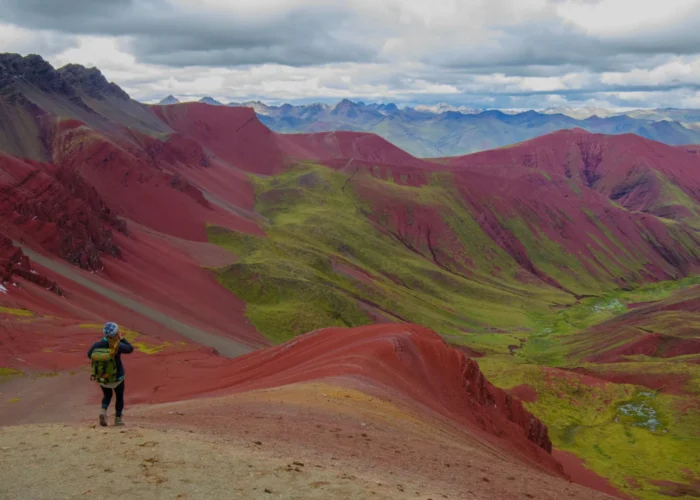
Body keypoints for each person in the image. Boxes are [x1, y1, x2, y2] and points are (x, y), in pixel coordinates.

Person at [87, 322, 134, 427]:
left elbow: (89, 355)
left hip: (103, 378)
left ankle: (103, 412)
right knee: (119, 396)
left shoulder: (97, 345)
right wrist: (121, 339)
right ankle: (118, 419)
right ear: (116, 333)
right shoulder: (118, 345)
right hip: (118, 378)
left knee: (107, 395)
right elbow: (130, 348)